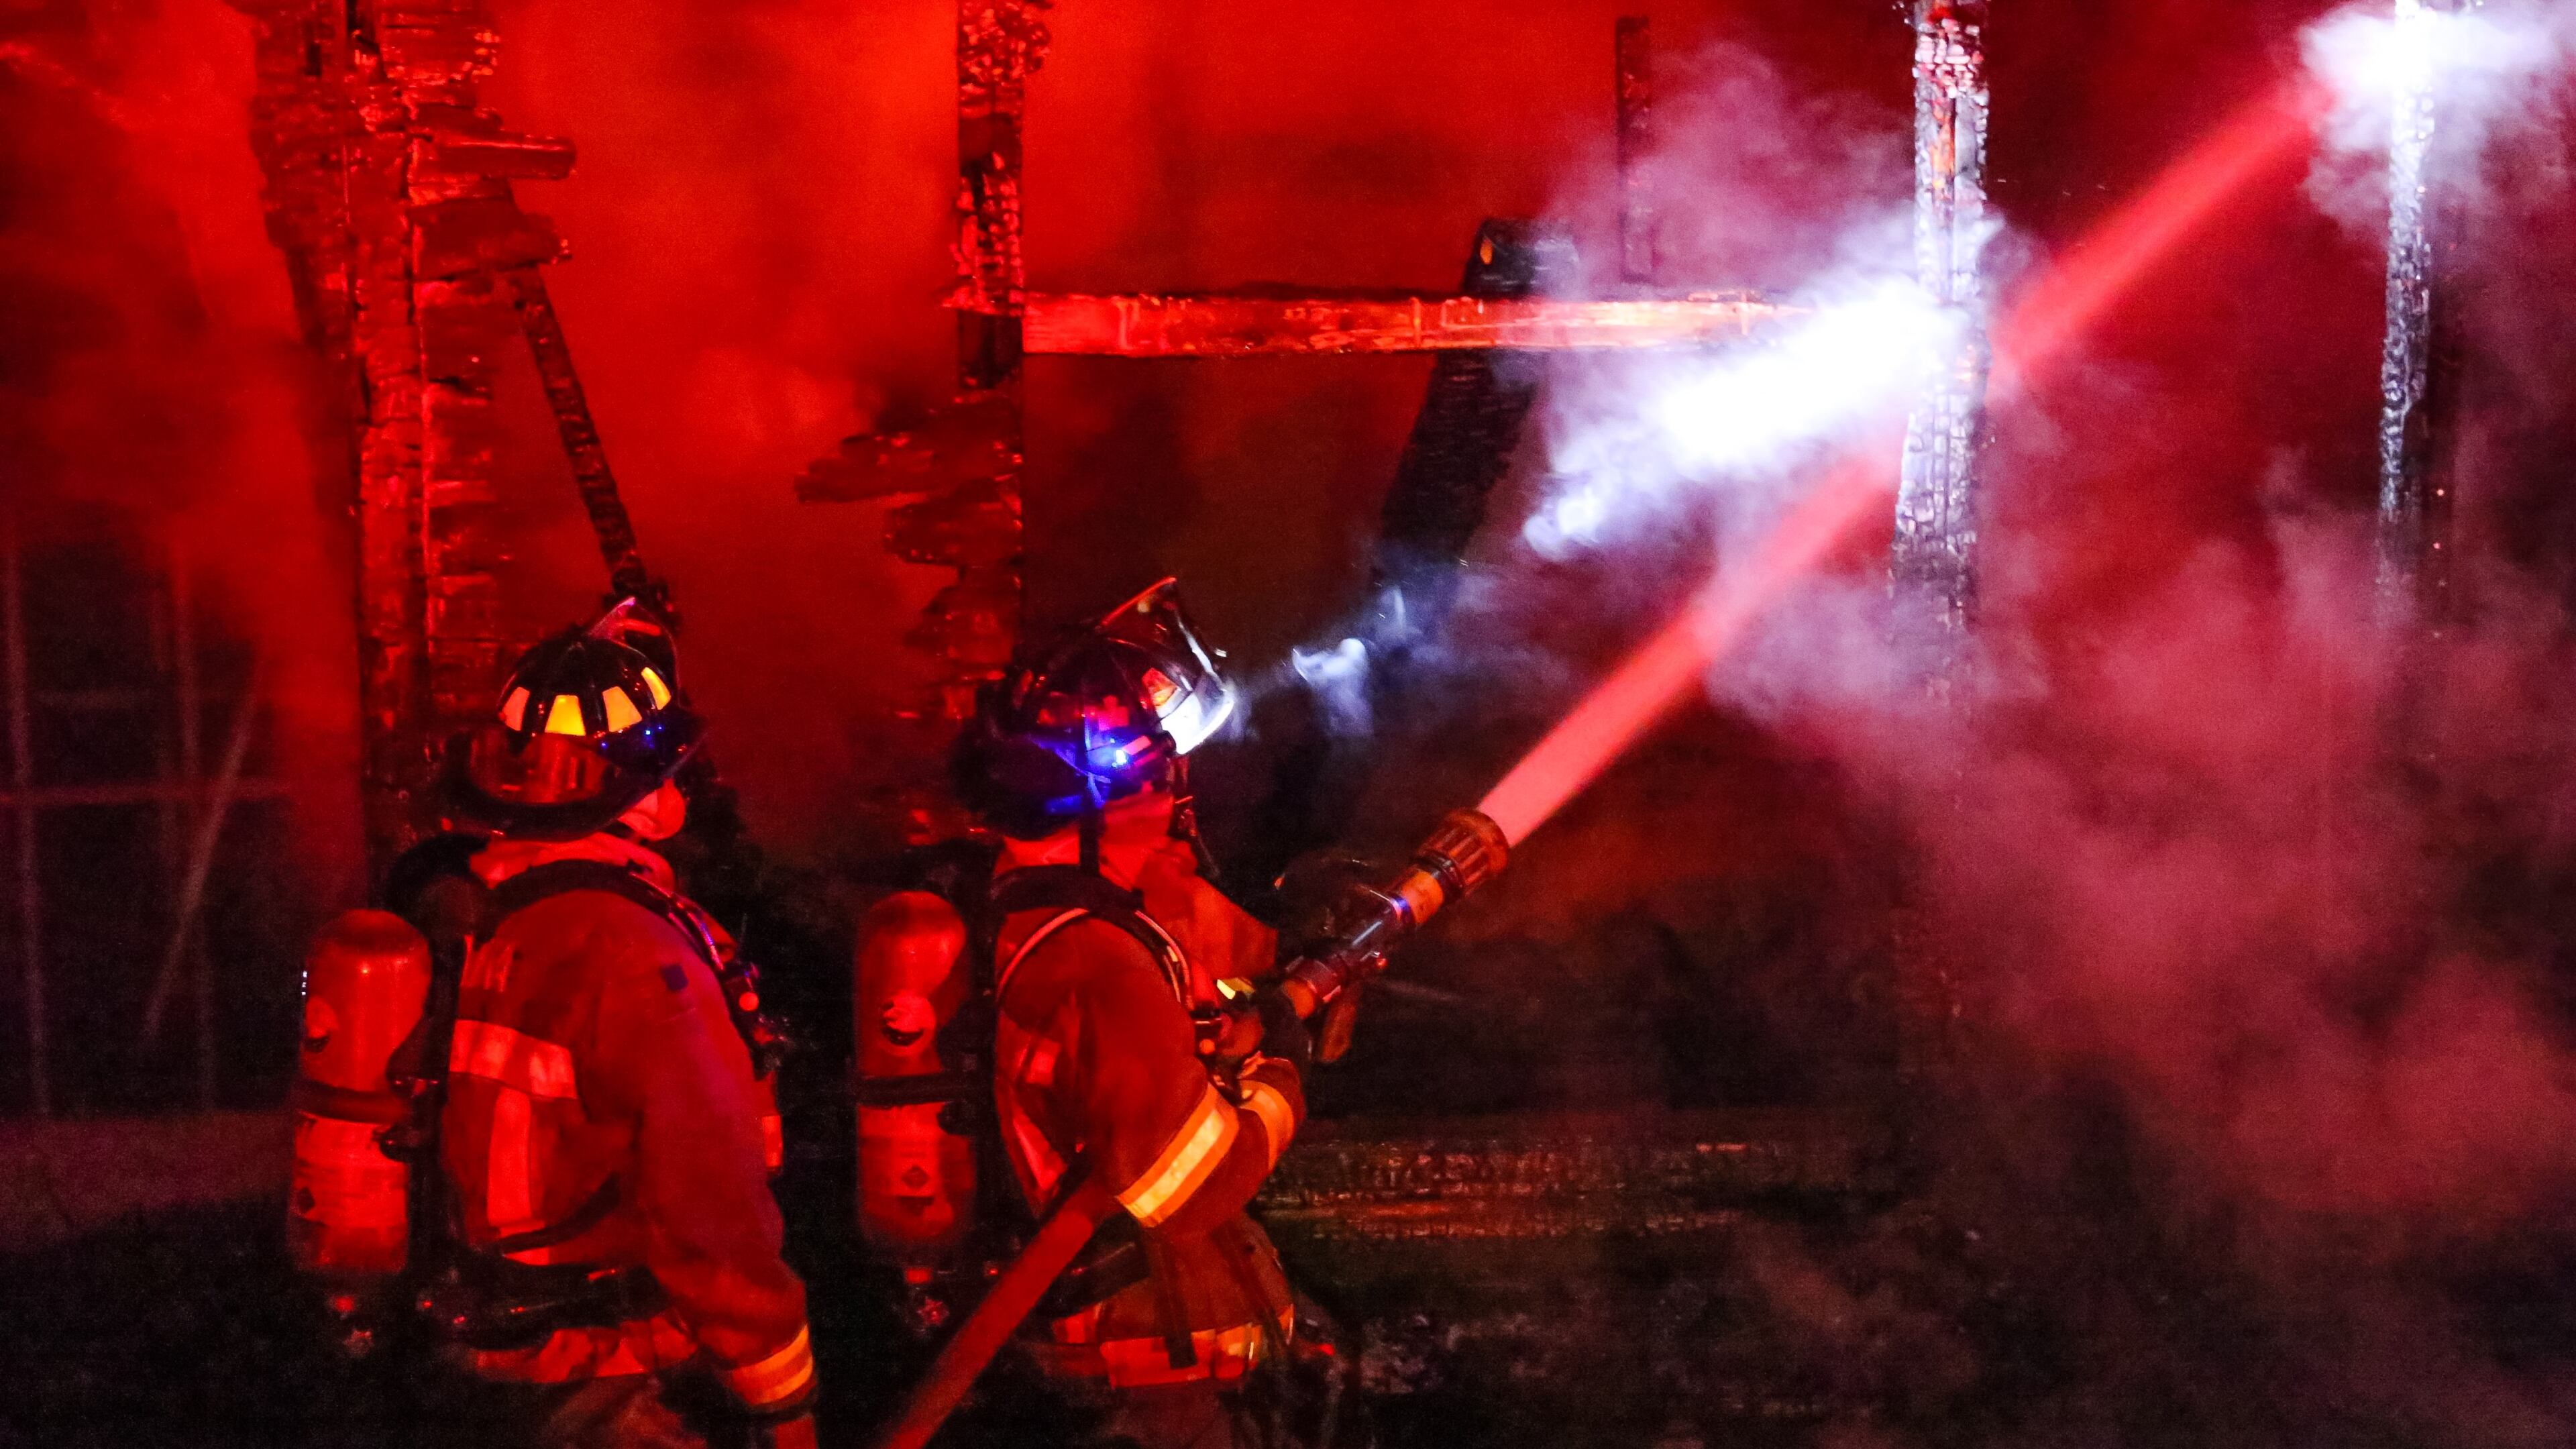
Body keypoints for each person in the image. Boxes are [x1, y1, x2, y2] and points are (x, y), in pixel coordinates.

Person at [427, 600, 817, 1449]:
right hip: (609, 1374)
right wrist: (783, 1399)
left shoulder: (485, 923)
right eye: (673, 770)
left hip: (489, 1362)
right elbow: (707, 1199)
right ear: (641, 795)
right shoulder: (634, 954)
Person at [950, 579, 1313, 1449]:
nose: (1177, 799)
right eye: (1161, 775)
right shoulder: (1097, 961)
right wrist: (1280, 1082)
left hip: (1134, 1361)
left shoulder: (1034, 916)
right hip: (1153, 1381)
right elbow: (1184, 1186)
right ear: (1111, 794)